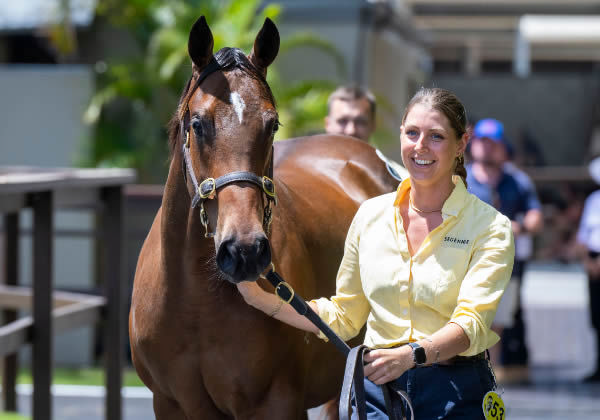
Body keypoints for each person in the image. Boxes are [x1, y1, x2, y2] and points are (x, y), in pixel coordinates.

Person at [238, 87, 515, 419]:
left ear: (461, 144)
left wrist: (410, 356)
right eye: (412, 133)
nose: (421, 146)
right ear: (401, 135)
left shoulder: (491, 227)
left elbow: (471, 325)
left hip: (455, 392)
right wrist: (258, 298)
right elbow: (344, 315)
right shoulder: (369, 215)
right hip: (378, 395)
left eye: (436, 136)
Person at [466, 118, 543, 379]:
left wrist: (516, 226)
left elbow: (535, 217)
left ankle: (490, 372)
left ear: (503, 147)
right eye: (481, 142)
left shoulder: (518, 181)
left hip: (506, 263)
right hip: (466, 259)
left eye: (492, 143)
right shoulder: (460, 179)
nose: (486, 148)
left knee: (497, 318)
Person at [325, 85, 409, 181]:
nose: (351, 130)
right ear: (327, 124)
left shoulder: (399, 179)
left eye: (360, 122)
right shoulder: (305, 170)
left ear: (373, 125)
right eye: (342, 121)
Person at [577, 156, 600, 382]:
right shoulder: (594, 200)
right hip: (594, 264)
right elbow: (584, 234)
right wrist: (588, 260)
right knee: (597, 317)